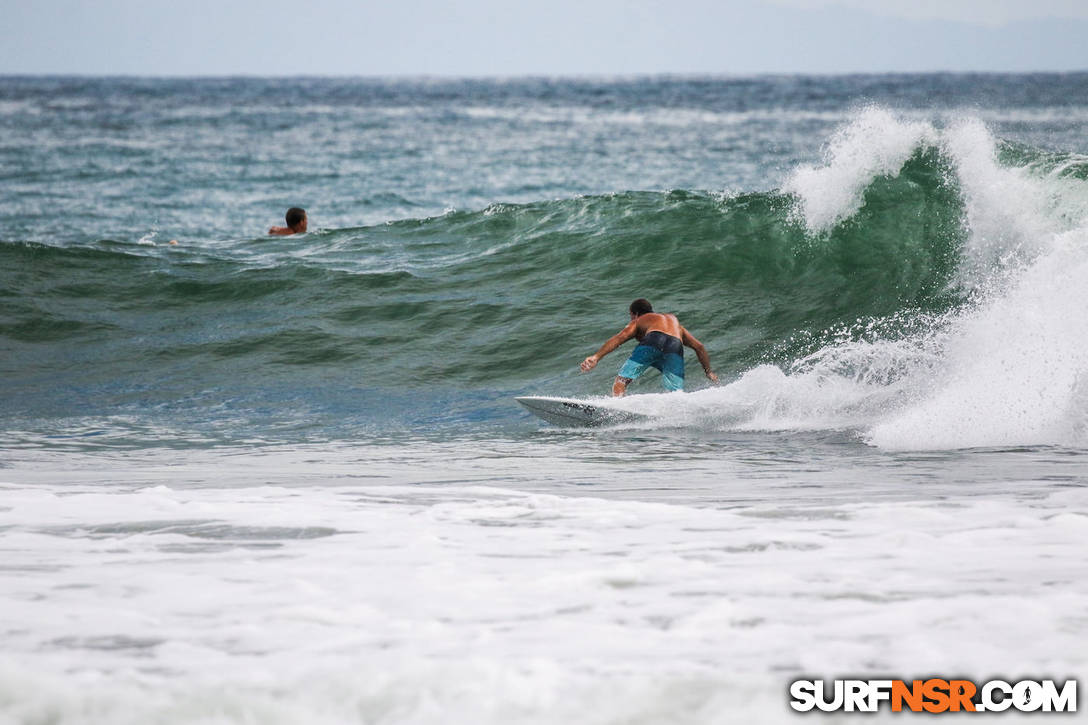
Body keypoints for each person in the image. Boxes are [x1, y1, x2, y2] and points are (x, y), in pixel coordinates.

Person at [580, 298, 718, 396]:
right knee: (675, 393)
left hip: (654, 340)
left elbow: (620, 337)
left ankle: (615, 410)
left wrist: (596, 357)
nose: (631, 319)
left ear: (635, 314)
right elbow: (699, 347)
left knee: (622, 379)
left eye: (630, 316)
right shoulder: (675, 326)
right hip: (676, 345)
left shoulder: (640, 320)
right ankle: (673, 416)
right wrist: (708, 371)